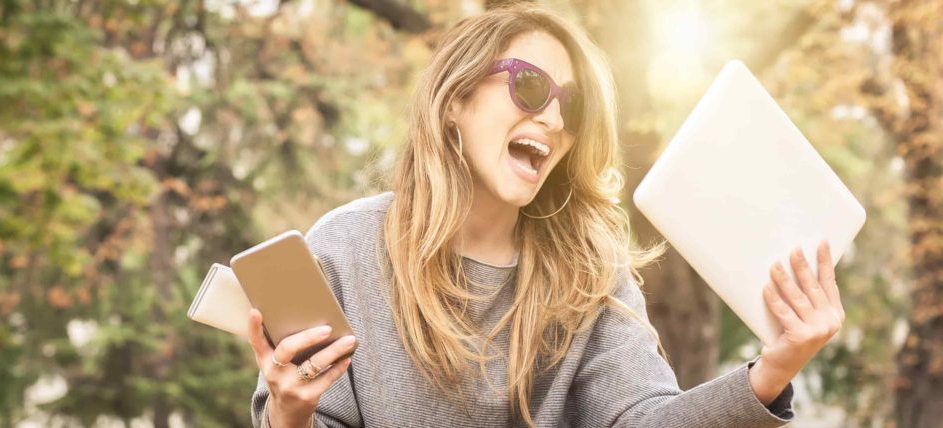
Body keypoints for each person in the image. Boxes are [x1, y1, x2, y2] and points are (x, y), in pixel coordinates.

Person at [246, 3, 845, 427]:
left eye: (571, 106)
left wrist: (773, 369)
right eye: (529, 88)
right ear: (456, 98)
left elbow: (642, 422)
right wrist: (290, 413)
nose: (556, 122)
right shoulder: (343, 248)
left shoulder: (589, 270)